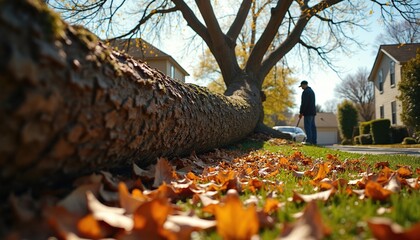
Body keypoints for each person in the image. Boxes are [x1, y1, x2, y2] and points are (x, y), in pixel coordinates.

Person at [298, 80, 317, 145]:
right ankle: (314, 141)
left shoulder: (305, 92)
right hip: (312, 112)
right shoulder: (312, 91)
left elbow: (304, 103)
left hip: (308, 112)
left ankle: (309, 141)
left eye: (302, 86)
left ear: (304, 85)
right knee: (312, 127)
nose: (302, 88)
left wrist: (301, 112)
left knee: (308, 126)